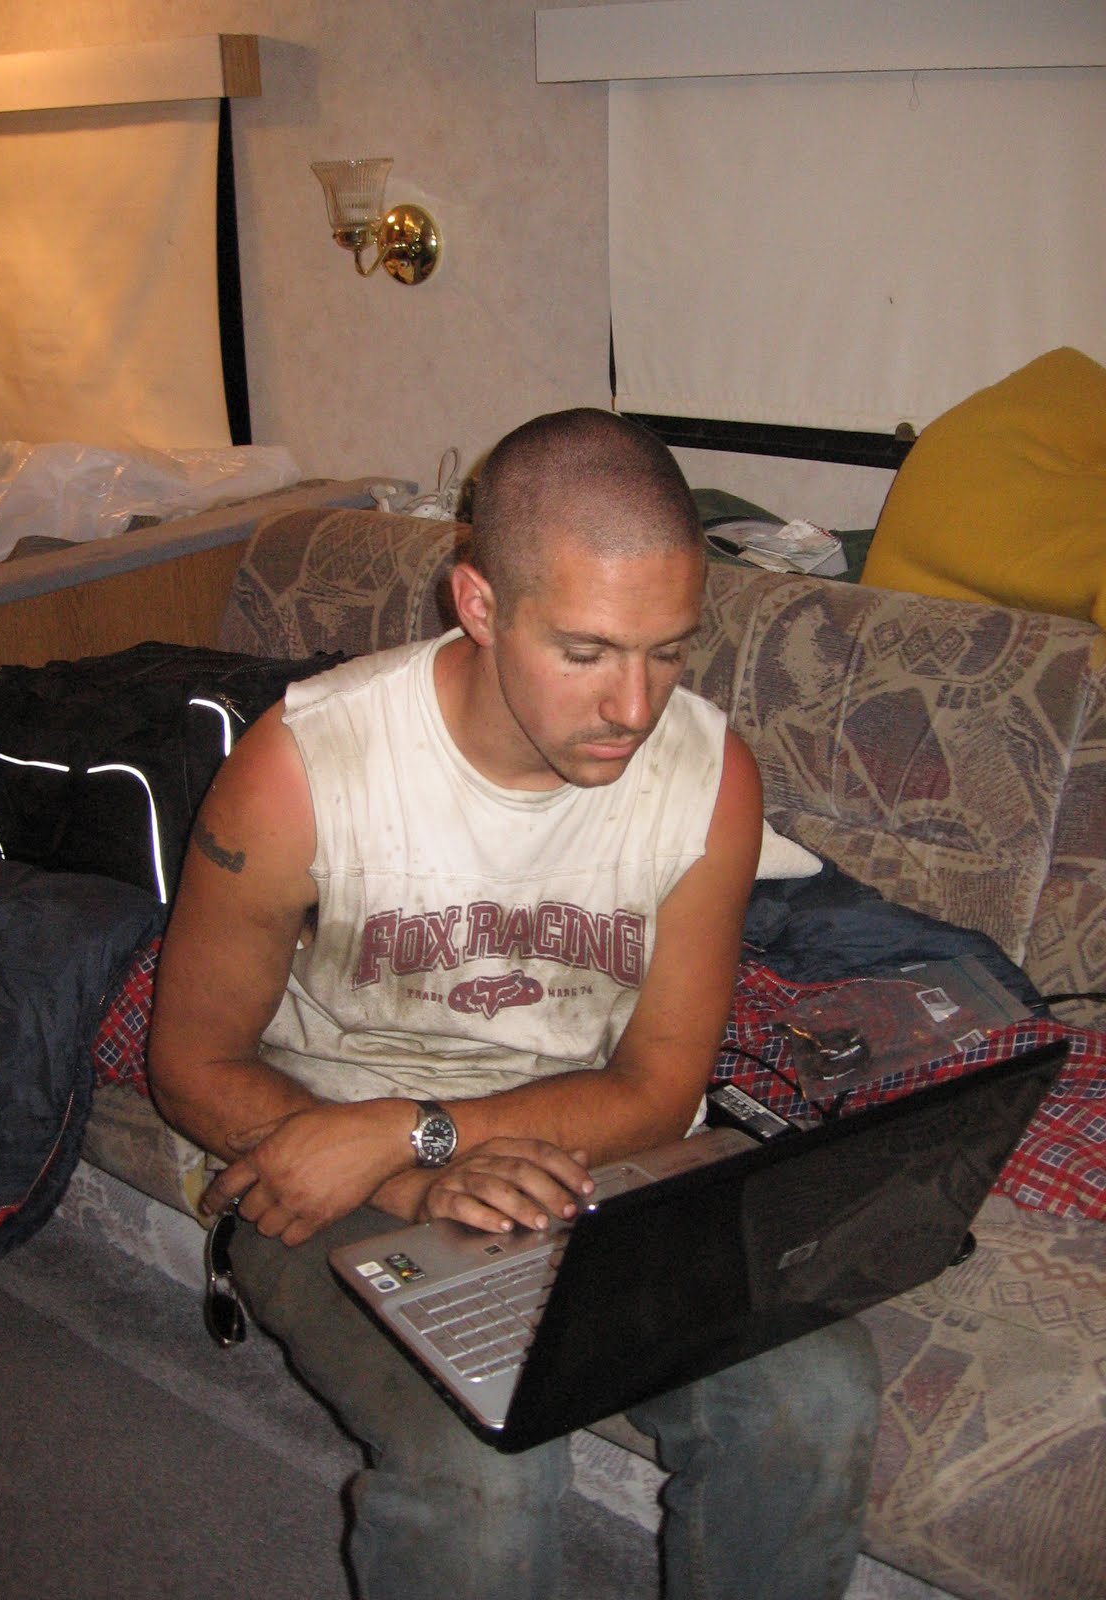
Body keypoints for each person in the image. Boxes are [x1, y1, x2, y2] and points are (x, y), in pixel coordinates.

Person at [147, 408, 880, 1600]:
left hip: (579, 1156)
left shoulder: (709, 780)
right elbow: (188, 1061)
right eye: (586, 651)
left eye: (668, 652)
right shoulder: (305, 768)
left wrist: (424, 1133)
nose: (634, 706)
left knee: (816, 1396)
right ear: (479, 604)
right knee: (485, 1472)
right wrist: (399, 1172)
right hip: (323, 1151)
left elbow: (659, 1089)